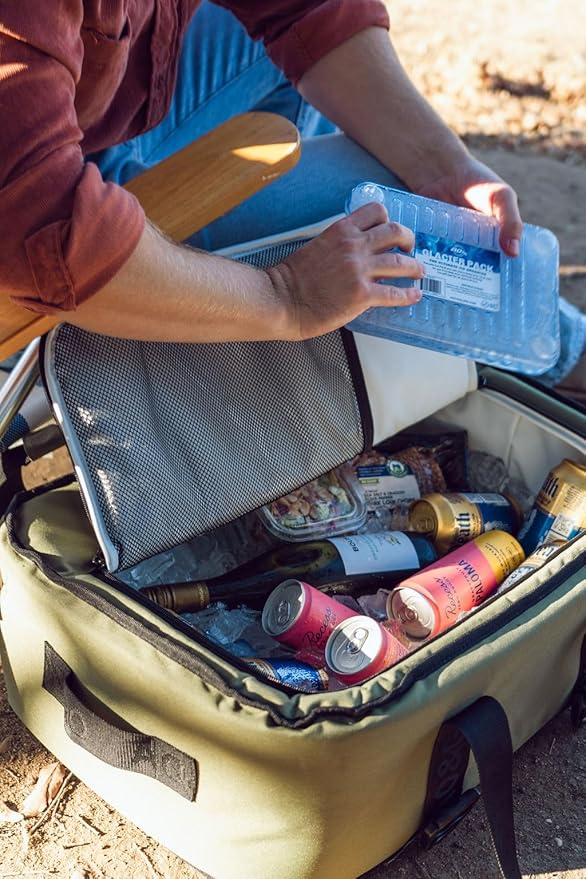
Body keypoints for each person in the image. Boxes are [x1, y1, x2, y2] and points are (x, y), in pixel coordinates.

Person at [0, 1, 584, 392]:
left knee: (397, 163)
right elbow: (43, 231)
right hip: (30, 239)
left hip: (76, 132)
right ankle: (569, 353)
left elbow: (306, 11)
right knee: (378, 199)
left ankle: (224, 333)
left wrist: (443, 164)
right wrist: (288, 295)